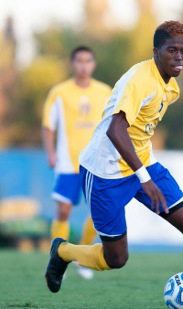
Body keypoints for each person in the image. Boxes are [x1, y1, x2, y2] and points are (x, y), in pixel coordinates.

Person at [45, 21, 183, 309]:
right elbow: (115, 130)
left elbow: (140, 130)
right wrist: (144, 178)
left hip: (144, 164)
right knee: (117, 259)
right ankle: (63, 251)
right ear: (155, 52)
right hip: (105, 173)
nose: (179, 57)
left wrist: (146, 173)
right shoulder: (141, 80)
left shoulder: (170, 87)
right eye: (171, 50)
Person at [42, 46, 112, 279]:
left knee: (97, 213)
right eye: (79, 61)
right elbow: (48, 126)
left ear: (93, 64)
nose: (84, 65)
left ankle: (81, 257)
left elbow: (114, 125)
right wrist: (51, 152)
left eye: (88, 61)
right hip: (67, 162)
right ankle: (56, 259)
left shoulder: (105, 91)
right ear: (73, 64)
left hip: (96, 162)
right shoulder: (59, 92)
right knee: (63, 210)